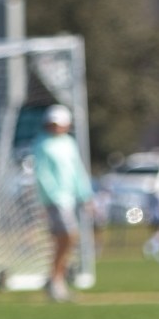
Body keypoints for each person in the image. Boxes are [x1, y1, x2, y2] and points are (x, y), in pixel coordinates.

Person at [32, 104, 93, 302]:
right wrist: (52, 198)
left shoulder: (68, 143)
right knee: (68, 236)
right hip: (56, 200)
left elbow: (77, 172)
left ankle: (56, 279)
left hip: (70, 199)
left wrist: (85, 195)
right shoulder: (42, 144)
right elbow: (42, 175)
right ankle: (56, 279)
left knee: (65, 240)